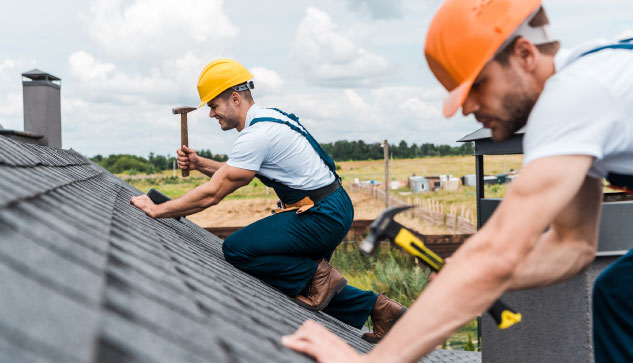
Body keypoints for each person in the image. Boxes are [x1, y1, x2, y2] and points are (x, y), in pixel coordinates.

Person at [281, 0, 633, 362]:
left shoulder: (573, 98)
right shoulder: (593, 84)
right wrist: (468, 280)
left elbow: (496, 253)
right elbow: (571, 247)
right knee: (619, 294)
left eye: (478, 85)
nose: (467, 108)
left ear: (525, 53)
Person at [130, 58, 406, 342]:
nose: (212, 114)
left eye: (213, 106)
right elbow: (235, 172)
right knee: (309, 287)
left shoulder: (257, 135)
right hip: (331, 206)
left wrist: (158, 209)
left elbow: (214, 193)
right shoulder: (271, 118)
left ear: (234, 99)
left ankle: (320, 275)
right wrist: (199, 162)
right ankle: (384, 311)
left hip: (321, 215)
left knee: (239, 249)